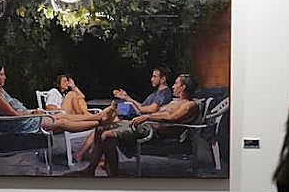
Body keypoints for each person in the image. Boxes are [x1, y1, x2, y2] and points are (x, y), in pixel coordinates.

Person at [72, 74, 200, 177]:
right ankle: (90, 169)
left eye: (176, 83)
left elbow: (172, 118)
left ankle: (113, 175)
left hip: (151, 131)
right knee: (100, 129)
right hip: (144, 125)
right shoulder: (174, 101)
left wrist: (147, 116)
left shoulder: (189, 105)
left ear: (183, 87)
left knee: (107, 135)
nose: (173, 86)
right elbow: (152, 111)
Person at [0, 65, 114, 136]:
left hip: (25, 119)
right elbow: (13, 115)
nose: (5, 77)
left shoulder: (0, 91)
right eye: (2, 74)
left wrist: (33, 111)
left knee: (62, 116)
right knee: (62, 120)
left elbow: (16, 111)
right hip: (20, 125)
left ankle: (98, 118)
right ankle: (99, 121)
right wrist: (33, 113)